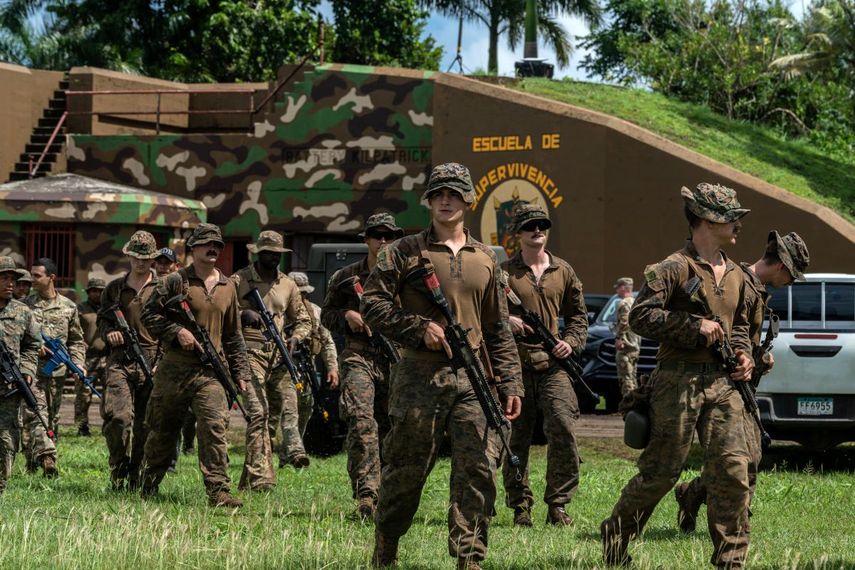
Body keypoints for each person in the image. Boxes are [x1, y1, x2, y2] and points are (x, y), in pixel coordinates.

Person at [361, 162, 523, 570]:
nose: (445, 200)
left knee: (478, 469)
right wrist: (418, 328)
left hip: (474, 378)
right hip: (418, 375)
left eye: (453, 193)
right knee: (406, 469)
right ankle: (386, 547)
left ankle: (469, 557)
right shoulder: (403, 251)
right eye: (438, 194)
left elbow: (497, 327)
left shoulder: (486, 257)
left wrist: (511, 383)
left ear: (468, 199)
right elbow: (372, 305)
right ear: (429, 201)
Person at [600, 183, 755, 568]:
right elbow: (640, 316)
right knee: (661, 474)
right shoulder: (673, 267)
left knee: (733, 471)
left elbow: (740, 326)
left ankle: (730, 560)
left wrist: (744, 354)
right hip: (677, 383)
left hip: (722, 384)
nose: (738, 225)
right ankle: (616, 536)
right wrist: (692, 326)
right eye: (731, 218)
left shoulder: (737, 274)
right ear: (706, 221)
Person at [674, 230, 810, 532]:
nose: (791, 283)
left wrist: (759, 357)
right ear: (783, 267)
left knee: (747, 453)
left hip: (740, 383)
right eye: (793, 276)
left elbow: (741, 338)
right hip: (721, 384)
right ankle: (734, 520)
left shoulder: (754, 287)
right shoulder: (741, 283)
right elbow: (726, 335)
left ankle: (694, 494)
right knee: (737, 457)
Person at [139, 223, 250, 507]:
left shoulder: (228, 287)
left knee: (214, 426)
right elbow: (148, 315)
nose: (212, 249)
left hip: (210, 372)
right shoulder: (174, 282)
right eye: (206, 244)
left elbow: (233, 335)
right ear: (194, 248)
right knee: (163, 429)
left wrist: (241, 373)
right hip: (174, 368)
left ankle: (219, 491)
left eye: (217, 245)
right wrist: (176, 332)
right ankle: (148, 483)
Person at [500, 203, 587, 528]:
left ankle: (558, 505)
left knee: (563, 428)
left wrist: (572, 341)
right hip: (516, 367)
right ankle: (520, 505)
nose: (538, 230)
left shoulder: (563, 271)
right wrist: (508, 320)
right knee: (515, 437)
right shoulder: (504, 273)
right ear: (518, 234)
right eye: (530, 226)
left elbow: (578, 317)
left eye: (542, 225)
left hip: (554, 366)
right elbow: (487, 312)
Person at [321, 213, 403, 520]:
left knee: (392, 427)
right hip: (358, 356)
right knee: (361, 420)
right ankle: (366, 493)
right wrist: (346, 317)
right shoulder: (346, 277)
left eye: (389, 236)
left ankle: (389, 492)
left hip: (396, 359)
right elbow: (325, 315)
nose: (383, 241)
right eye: (376, 235)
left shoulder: (405, 277)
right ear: (366, 239)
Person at [230, 230, 312, 490]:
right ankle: (260, 478)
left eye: (276, 254)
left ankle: (249, 478)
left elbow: (303, 319)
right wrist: (244, 313)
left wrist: (296, 338)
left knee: (286, 409)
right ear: (257, 253)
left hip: (279, 355)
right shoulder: (239, 280)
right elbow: (221, 311)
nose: (272, 258)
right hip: (247, 353)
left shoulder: (288, 284)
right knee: (258, 413)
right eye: (267, 253)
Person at [97, 231, 160, 490]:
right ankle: (119, 467)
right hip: (120, 359)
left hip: (152, 359)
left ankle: (137, 476)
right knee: (118, 417)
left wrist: (162, 360)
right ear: (129, 256)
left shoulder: (164, 287)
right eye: (136, 257)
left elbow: (172, 326)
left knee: (146, 424)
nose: (140, 263)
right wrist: (108, 333)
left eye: (145, 258)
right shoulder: (114, 289)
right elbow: (103, 318)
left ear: (153, 259)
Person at [271, 271, 338, 469]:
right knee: (282, 414)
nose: (301, 297)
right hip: (281, 368)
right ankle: (279, 453)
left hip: (306, 368)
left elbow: (326, 341)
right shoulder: (279, 311)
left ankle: (288, 455)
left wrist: (333, 367)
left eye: (304, 293)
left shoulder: (315, 312)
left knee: (304, 410)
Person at [26, 257, 86, 476]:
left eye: (37, 275)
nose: (32, 279)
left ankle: (37, 459)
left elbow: (77, 340)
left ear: (51, 278)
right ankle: (48, 458)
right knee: (36, 412)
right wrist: (36, 346)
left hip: (57, 372)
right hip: (32, 371)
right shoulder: (26, 305)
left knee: (53, 417)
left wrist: (78, 363)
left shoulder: (69, 307)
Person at [0, 257, 41, 495]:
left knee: (6, 439)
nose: (10, 284)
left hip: (8, 389)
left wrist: (26, 371)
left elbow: (32, 345)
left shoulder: (22, 312)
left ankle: (1, 487)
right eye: (4, 278)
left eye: (12, 279)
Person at [76, 277, 108, 436]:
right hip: (88, 358)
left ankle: (109, 425)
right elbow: (73, 331)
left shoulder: (110, 309)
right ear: (88, 292)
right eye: (94, 290)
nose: (97, 294)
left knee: (110, 393)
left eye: (101, 291)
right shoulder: (80, 309)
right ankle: (82, 427)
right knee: (84, 394)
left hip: (108, 357)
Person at [613, 277, 641, 398]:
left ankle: (629, 405)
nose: (617, 291)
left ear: (623, 288)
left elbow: (624, 322)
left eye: (618, 288)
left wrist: (619, 338)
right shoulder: (635, 303)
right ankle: (634, 404)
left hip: (626, 346)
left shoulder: (624, 303)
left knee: (625, 378)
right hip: (635, 345)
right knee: (632, 376)